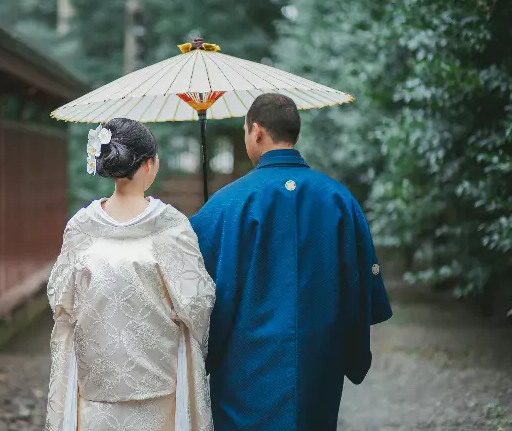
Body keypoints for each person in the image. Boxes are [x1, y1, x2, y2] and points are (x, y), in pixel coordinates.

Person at [190, 93, 393, 431]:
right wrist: (349, 349)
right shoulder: (339, 198)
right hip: (318, 358)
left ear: (255, 131)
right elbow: (360, 287)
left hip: (245, 362)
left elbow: (195, 294)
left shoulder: (225, 204)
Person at [45, 118, 215, 431]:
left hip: (96, 388)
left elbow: (61, 301)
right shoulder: (171, 227)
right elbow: (198, 304)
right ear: (150, 164)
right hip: (158, 388)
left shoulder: (82, 228)